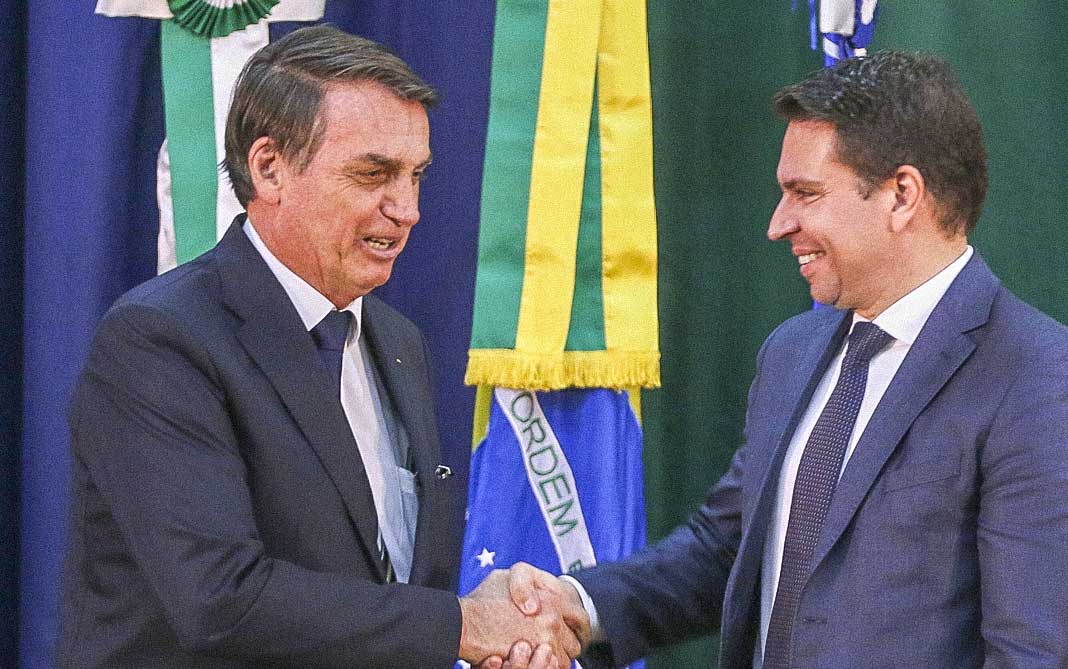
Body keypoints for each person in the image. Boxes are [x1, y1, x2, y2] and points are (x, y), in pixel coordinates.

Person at [494, 50, 1068, 668]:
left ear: (902, 195)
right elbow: (728, 550)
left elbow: (1032, 651)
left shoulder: (1036, 376)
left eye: (806, 193)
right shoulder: (792, 353)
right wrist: (577, 605)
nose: (778, 224)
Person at [58, 25, 581, 668]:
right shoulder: (161, 340)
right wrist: (461, 624)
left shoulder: (397, 341)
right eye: (373, 174)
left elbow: (389, 580)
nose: (407, 209)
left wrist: (482, 618)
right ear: (270, 168)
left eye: (416, 176)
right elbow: (221, 599)